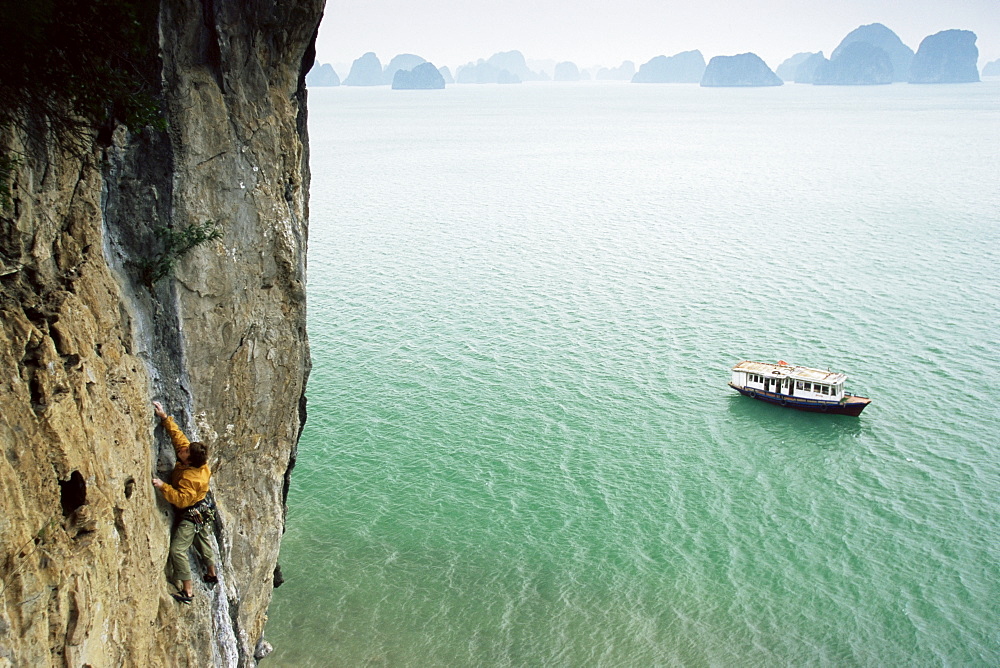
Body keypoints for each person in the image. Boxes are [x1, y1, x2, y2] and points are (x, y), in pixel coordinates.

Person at [151, 400, 218, 604]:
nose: (182, 450)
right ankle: (211, 572)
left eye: (186, 452)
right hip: (201, 508)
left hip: (190, 512)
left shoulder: (192, 478)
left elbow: (181, 501)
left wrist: (163, 486)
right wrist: (164, 417)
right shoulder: (194, 459)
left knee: (178, 549)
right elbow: (179, 438)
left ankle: (188, 591)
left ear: (189, 461)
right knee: (202, 537)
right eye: (185, 449)